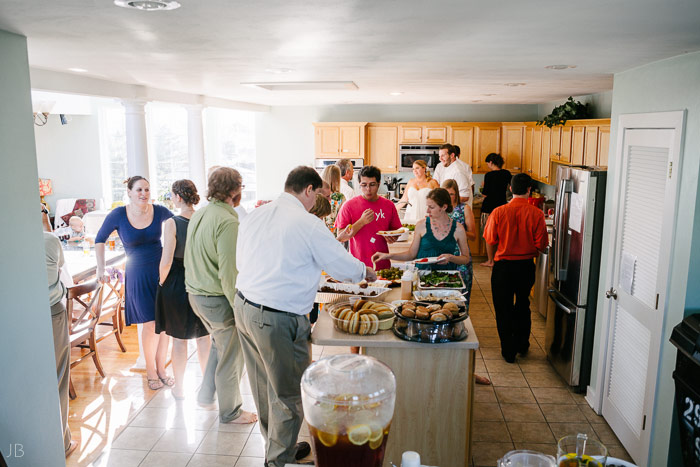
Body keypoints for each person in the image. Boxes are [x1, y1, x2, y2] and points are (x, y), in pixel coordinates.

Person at [235, 166, 376, 467]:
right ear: (309, 190)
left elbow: (242, 259)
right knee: (289, 396)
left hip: (245, 307)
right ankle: (277, 461)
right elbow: (340, 265)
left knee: (263, 388)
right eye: (319, 194)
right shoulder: (307, 222)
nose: (319, 201)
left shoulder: (256, 213)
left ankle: (277, 447)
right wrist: (366, 272)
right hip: (278, 317)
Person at [184, 168, 257, 424]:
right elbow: (229, 274)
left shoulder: (200, 213)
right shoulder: (228, 221)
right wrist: (239, 308)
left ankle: (205, 396)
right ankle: (231, 411)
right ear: (235, 191)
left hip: (195, 294)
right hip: (216, 299)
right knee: (232, 355)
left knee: (219, 345)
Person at [96, 176, 174, 390]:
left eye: (147, 189)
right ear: (129, 192)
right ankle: (151, 371)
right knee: (149, 324)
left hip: (161, 272)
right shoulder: (119, 214)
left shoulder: (159, 211)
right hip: (137, 273)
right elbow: (99, 239)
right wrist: (100, 268)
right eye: (139, 189)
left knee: (164, 325)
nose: (144, 193)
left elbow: (180, 223)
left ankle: (162, 369)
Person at [155, 179, 211, 400]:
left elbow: (166, 260)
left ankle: (180, 387)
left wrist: (161, 282)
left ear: (178, 197)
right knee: (204, 337)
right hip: (202, 280)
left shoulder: (172, 222)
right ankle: (207, 386)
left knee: (179, 340)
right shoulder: (204, 218)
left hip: (178, 282)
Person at [483, 173, 548, 363]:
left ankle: (508, 350)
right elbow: (542, 245)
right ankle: (522, 343)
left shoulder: (498, 212)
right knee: (522, 304)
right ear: (529, 190)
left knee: (503, 308)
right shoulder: (537, 214)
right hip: (526, 266)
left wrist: (491, 260)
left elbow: (489, 239)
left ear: (510, 189)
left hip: (503, 266)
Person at [372, 188, 471, 278]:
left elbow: (466, 258)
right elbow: (411, 254)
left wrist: (451, 257)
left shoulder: (458, 229)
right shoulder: (421, 225)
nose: (427, 211)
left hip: (446, 278)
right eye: (427, 206)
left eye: (431, 207)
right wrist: (387, 256)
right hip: (422, 277)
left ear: (444, 207)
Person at [43, 229, 77, 458]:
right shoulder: (49, 240)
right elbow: (59, 270)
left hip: (14, 315)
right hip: (51, 311)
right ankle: (62, 442)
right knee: (58, 375)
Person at [335, 165, 402, 270]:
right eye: (364, 185)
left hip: (382, 265)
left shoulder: (389, 205)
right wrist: (361, 222)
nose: (368, 189)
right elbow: (341, 237)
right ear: (359, 185)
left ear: (379, 184)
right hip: (357, 266)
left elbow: (396, 231)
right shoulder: (349, 206)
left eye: (372, 185)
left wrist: (393, 237)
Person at [441, 179, 476, 304]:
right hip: (442, 258)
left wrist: (457, 230)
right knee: (443, 299)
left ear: (456, 194)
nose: (448, 197)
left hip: (461, 257)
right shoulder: (439, 209)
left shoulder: (464, 209)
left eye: (451, 194)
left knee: (461, 297)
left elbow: (473, 236)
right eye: (446, 194)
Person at [480, 153, 512, 267]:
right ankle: (499, 259)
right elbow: (510, 188)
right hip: (502, 208)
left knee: (489, 235)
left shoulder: (489, 175)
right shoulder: (506, 173)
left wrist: (483, 186)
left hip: (489, 209)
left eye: (488, 163)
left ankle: (490, 261)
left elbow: (485, 194)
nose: (488, 165)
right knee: (501, 235)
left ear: (491, 162)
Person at [321, 165, 345, 233]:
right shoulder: (339, 197)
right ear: (337, 179)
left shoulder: (319, 196)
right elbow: (343, 220)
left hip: (321, 233)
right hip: (335, 235)